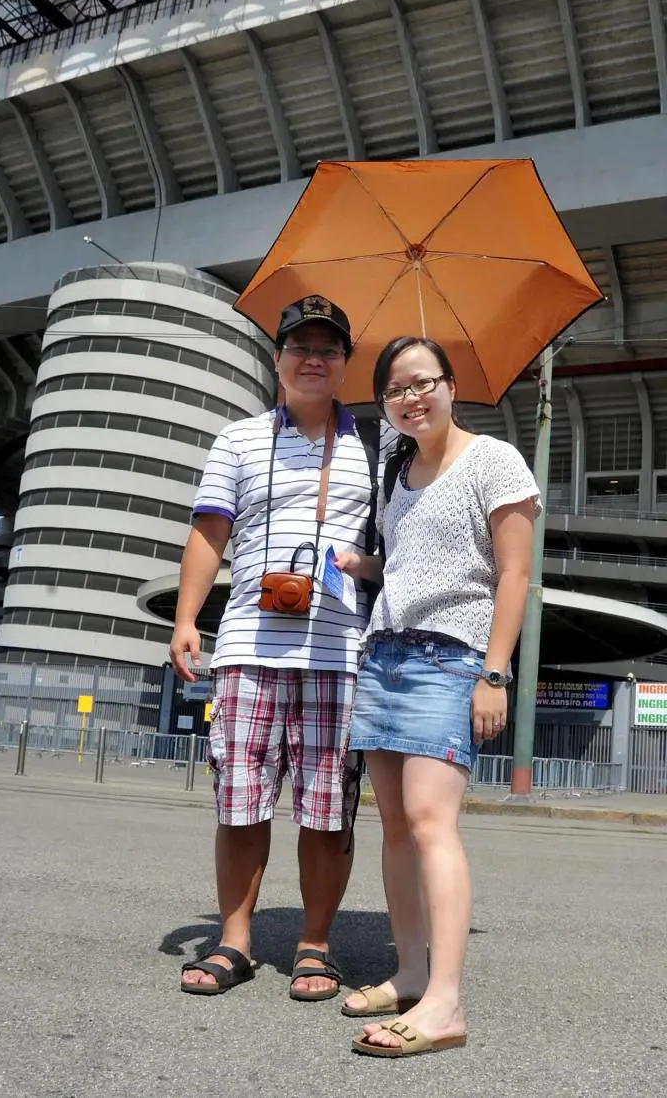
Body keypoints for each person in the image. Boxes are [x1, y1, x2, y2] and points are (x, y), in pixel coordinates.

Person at [171, 295, 380, 1001]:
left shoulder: (375, 449)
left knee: (328, 806)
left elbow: (397, 546)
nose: (313, 359)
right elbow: (210, 531)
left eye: (328, 349)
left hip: (336, 651)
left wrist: (368, 568)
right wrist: (186, 618)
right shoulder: (238, 439)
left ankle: (314, 944)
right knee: (240, 799)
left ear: (347, 364)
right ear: (278, 358)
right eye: (300, 347)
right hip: (248, 647)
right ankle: (235, 942)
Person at [335, 336, 539, 1057]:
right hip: (385, 653)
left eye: (424, 382)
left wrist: (495, 673)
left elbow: (512, 576)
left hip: (450, 658)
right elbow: (414, 562)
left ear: (452, 387)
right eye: (395, 389)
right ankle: (412, 970)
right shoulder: (398, 474)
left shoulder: (493, 460)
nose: (411, 397)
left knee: (430, 822)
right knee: (392, 824)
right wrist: (367, 565)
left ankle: (445, 1004)